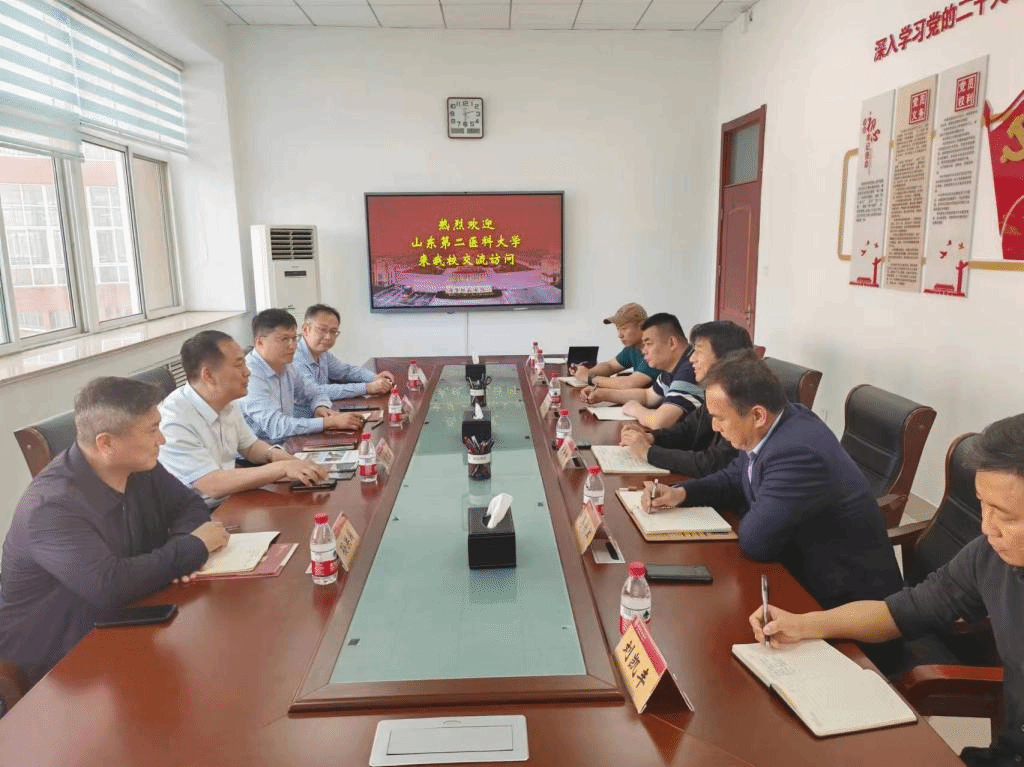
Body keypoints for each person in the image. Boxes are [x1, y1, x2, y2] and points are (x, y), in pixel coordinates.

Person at [749, 414, 1024, 767]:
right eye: (982, 505)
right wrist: (803, 625)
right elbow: (900, 612)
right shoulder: (988, 557)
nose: (987, 527)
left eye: (1005, 516)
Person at [0, 377, 228, 686]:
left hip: (130, 614)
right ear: (106, 443)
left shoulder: (137, 466)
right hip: (61, 661)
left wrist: (181, 549)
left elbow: (189, 505)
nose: (162, 440)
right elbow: (109, 584)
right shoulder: (50, 507)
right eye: (152, 430)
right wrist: (190, 549)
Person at [650, 354, 902, 609]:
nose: (714, 427)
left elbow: (756, 541)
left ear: (758, 415)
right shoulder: (776, 423)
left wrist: (752, 508)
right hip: (798, 572)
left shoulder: (797, 453)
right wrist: (682, 493)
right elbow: (736, 475)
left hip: (844, 604)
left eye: (720, 418)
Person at [159, 330, 328, 506]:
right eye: (239, 365)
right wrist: (282, 468)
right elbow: (211, 484)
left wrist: (284, 459)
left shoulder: (227, 402)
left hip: (231, 500)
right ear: (208, 375)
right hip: (200, 513)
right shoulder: (174, 418)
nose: (247, 372)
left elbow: (250, 447)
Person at [620, 320, 753, 477]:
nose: (692, 359)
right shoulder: (717, 390)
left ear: (724, 357)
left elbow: (713, 463)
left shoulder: (744, 400)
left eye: (699, 352)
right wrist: (650, 437)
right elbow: (688, 430)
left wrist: (648, 452)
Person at [240, 309, 363, 443]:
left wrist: (320, 407)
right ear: (260, 343)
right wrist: (328, 422)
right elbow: (275, 426)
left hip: (287, 443)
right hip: (261, 452)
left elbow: (315, 392)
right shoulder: (250, 374)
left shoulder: (286, 365)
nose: (293, 346)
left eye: (294, 338)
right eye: (284, 339)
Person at [582, 312, 702, 430]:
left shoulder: (691, 368)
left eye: (649, 344)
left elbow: (659, 422)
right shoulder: (674, 365)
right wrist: (602, 394)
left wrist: (635, 409)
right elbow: (648, 396)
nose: (644, 350)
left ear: (672, 343)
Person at [293, 304, 396, 416]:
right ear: (306, 330)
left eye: (333, 331)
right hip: (303, 422)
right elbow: (316, 391)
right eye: (322, 330)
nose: (328, 337)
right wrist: (367, 388)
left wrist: (374, 377)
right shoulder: (294, 357)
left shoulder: (323, 354)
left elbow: (346, 371)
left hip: (324, 414)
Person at [570, 302, 658, 390]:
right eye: (618, 329)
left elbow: (629, 383)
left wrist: (590, 378)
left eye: (624, 328)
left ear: (641, 326)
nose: (619, 335)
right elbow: (610, 366)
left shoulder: (654, 350)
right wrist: (587, 372)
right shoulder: (633, 348)